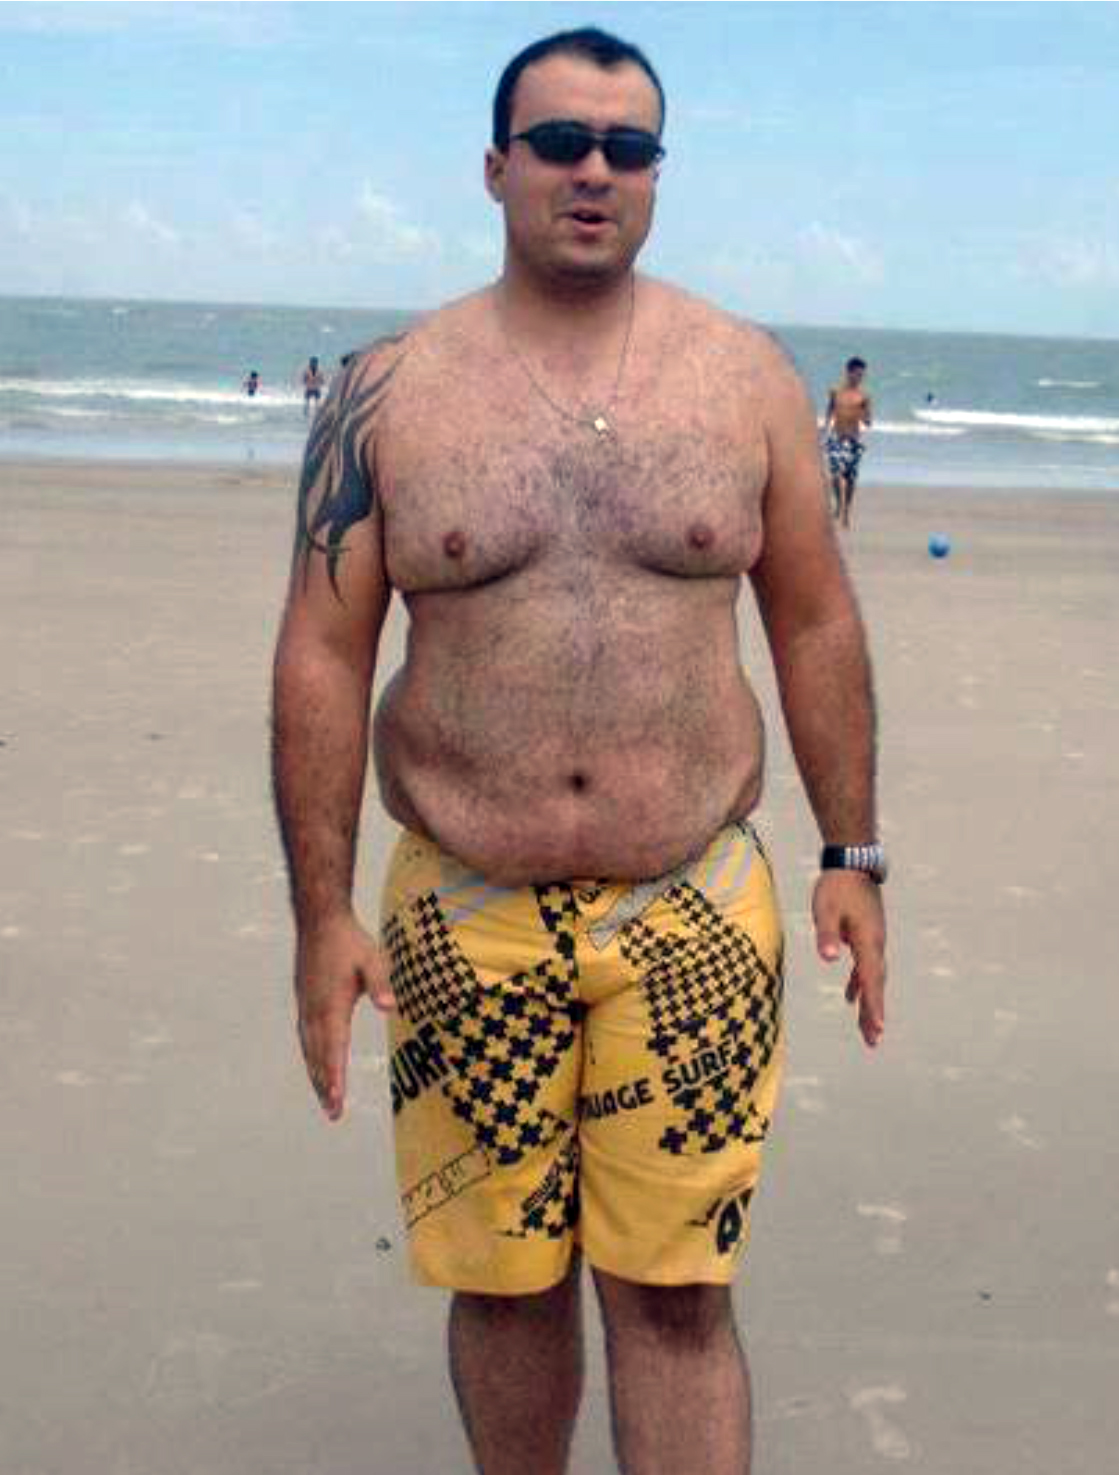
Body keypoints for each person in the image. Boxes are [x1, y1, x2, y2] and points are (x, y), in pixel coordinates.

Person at [270, 26, 887, 1475]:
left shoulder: (741, 376)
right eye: (559, 142)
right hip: (461, 907)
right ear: (496, 168)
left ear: (657, 173)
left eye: (627, 147)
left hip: (691, 905)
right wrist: (319, 912)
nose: (593, 171)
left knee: (676, 1293)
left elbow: (813, 620)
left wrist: (853, 851)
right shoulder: (388, 390)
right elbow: (321, 653)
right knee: (503, 1283)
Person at [823, 356, 873, 529]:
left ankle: (846, 510)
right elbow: (830, 409)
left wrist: (864, 416)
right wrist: (825, 428)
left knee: (850, 479)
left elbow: (868, 421)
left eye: (862, 375)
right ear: (848, 372)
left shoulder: (864, 396)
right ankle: (839, 503)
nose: (860, 378)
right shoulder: (835, 391)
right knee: (835, 474)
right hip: (836, 438)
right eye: (857, 374)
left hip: (854, 440)